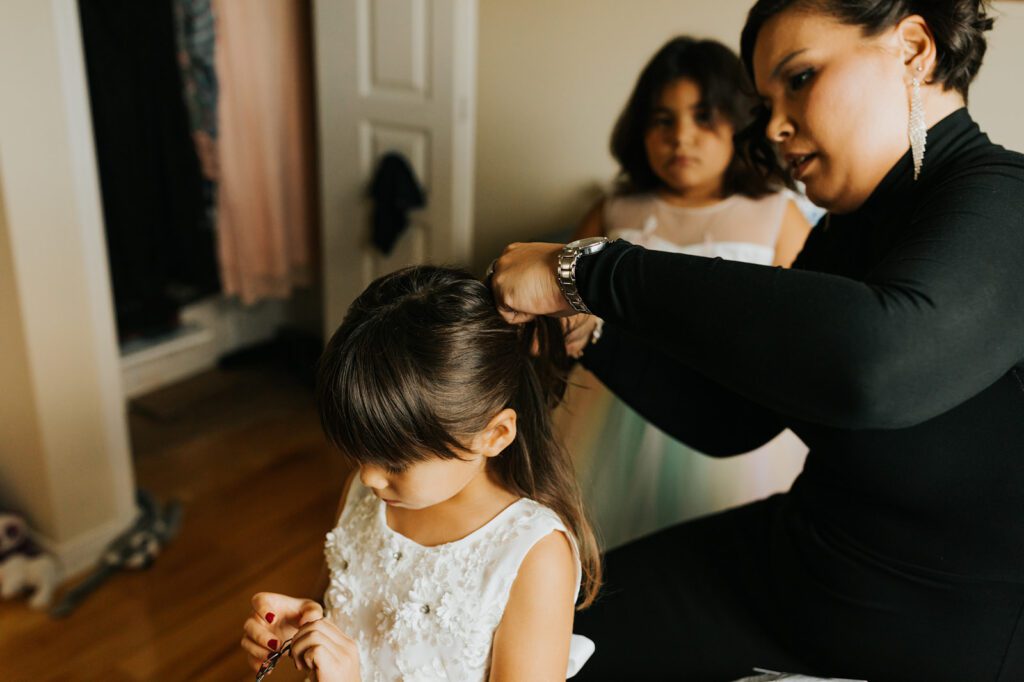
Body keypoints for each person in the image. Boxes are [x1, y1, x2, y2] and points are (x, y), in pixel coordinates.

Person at [490, 0, 1024, 679]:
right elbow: (730, 417)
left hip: (948, 640)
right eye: (764, 100)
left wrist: (588, 270)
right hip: (790, 574)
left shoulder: (1008, 201)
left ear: (914, 49)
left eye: (798, 78)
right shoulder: (841, 234)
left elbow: (876, 363)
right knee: (544, 622)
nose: (772, 127)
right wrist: (590, 334)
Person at [240, 266, 599, 681]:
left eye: (394, 461)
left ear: (494, 435)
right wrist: (308, 628)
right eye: (359, 452)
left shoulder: (532, 555)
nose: (369, 477)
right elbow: (349, 607)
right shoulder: (366, 492)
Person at [558, 36, 811, 549]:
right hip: (610, 412)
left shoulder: (776, 215)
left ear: (741, 122)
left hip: (726, 425)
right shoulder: (615, 210)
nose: (682, 138)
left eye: (703, 117)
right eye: (663, 120)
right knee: (600, 547)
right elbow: (564, 302)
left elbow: (798, 335)